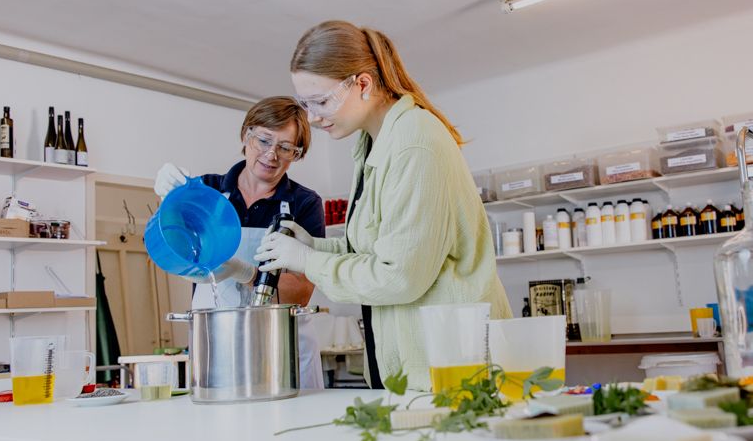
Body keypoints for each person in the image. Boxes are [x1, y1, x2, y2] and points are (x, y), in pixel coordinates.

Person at [254, 21, 512, 391]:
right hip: (417, 366)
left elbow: (400, 276)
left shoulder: (414, 142)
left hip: (453, 365)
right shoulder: (373, 142)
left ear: (362, 84)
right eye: (305, 104)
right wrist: (312, 245)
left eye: (321, 102)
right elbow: (376, 247)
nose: (312, 117)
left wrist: (308, 262)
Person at [155, 96, 325, 388]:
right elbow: (171, 248)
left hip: (283, 352)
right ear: (246, 135)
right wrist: (167, 203)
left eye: (285, 147)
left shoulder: (304, 204)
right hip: (216, 347)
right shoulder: (207, 191)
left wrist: (243, 272)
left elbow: (300, 294)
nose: (272, 154)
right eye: (263, 140)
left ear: (296, 154)